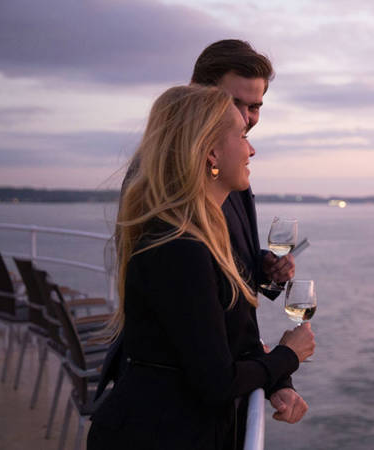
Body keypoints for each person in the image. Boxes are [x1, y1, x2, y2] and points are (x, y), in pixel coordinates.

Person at [96, 40, 309, 439]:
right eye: (237, 105)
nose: (248, 120)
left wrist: (264, 268)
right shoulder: (162, 187)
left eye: (256, 107)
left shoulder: (230, 181)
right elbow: (185, 279)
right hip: (166, 409)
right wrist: (285, 358)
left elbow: (223, 278)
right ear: (201, 93)